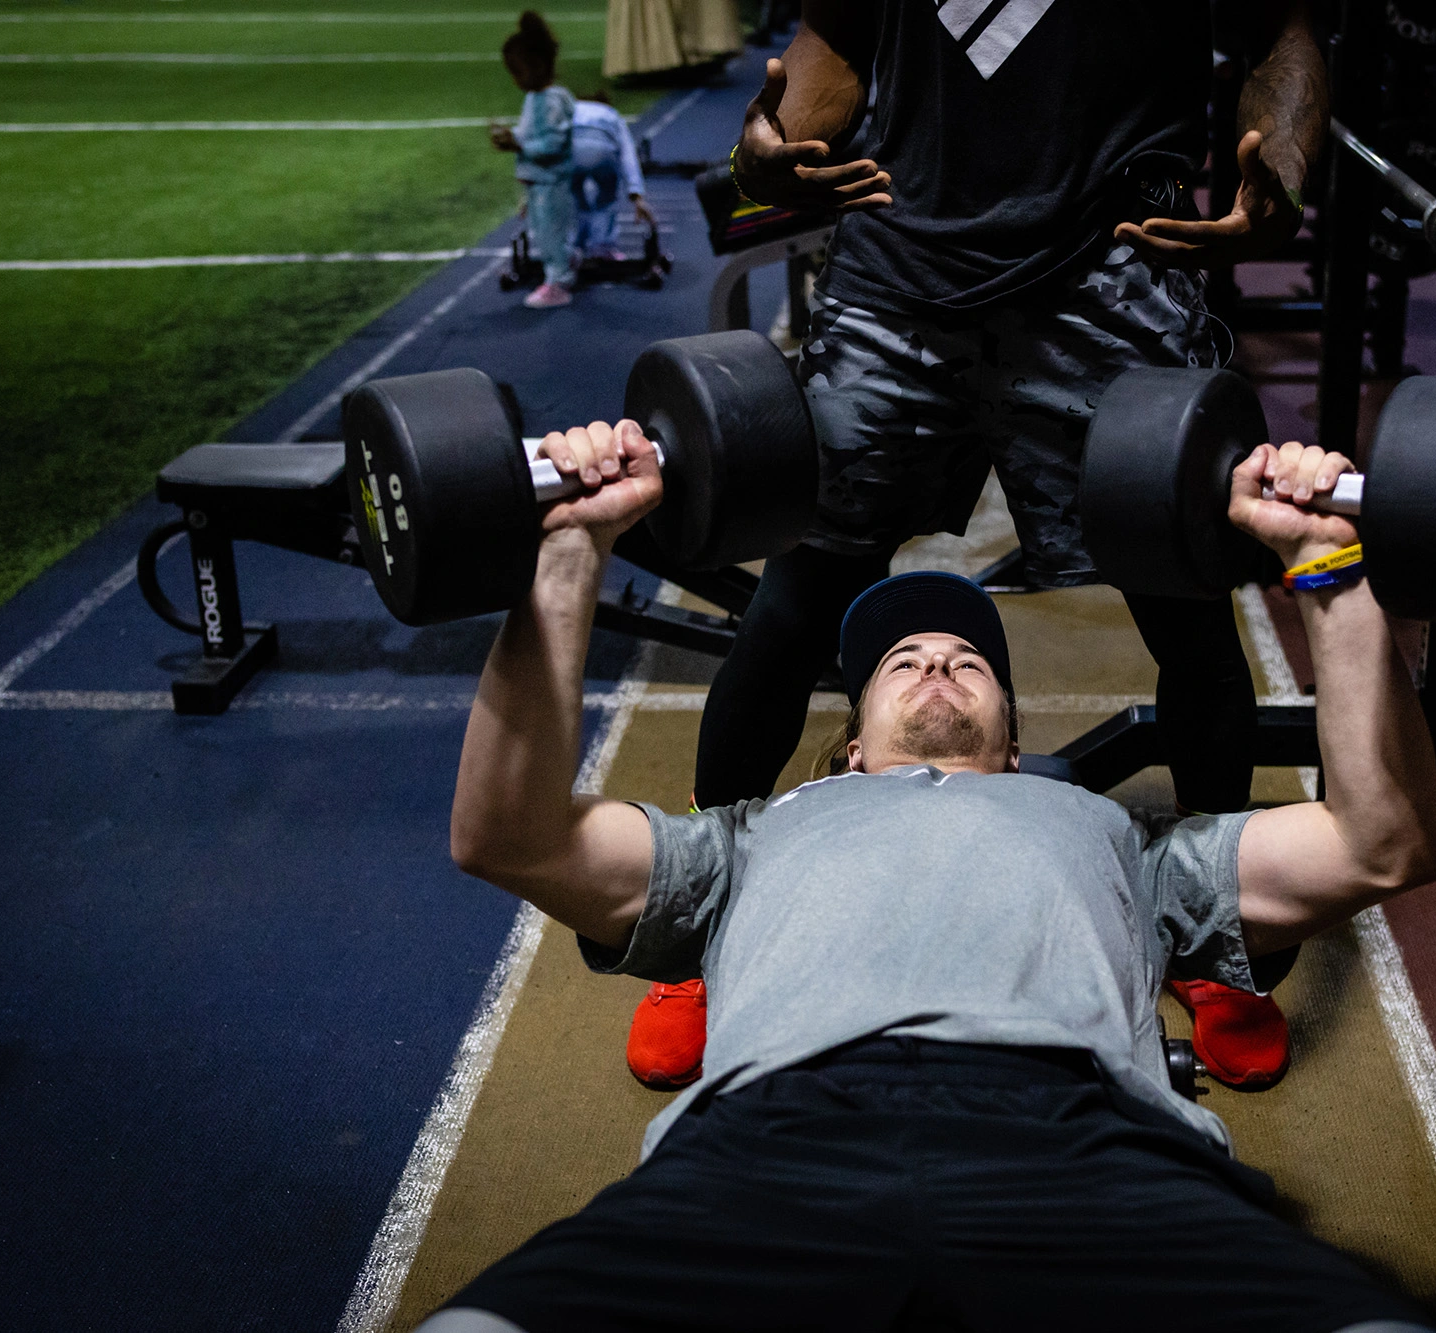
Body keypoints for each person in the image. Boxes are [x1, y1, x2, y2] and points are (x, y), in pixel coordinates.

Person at [419, 412, 1436, 1332]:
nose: (935, 663)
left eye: (967, 660)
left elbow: (1382, 841)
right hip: (770, 1147)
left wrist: (1329, 565)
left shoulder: (1114, 835)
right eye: (900, 660)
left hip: (1085, 1146)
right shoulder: (749, 837)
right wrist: (565, 557)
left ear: (1011, 748)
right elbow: (508, 837)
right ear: (853, 747)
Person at [628, 0, 1330, 1092]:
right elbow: (825, 70)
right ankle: (695, 925)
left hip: (1111, 273)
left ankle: (1215, 938)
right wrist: (762, 156)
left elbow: (1275, 29)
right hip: (900, 283)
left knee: (1185, 610)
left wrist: (1279, 165)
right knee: (799, 597)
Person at [490, 12, 578, 309]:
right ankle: (566, 261)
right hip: (540, 180)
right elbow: (532, 134)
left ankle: (559, 282)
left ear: (537, 66)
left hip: (550, 181)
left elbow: (552, 144)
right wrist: (512, 137)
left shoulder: (551, 100)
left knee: (549, 234)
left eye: (518, 72)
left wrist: (518, 143)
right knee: (545, 232)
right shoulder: (535, 97)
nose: (515, 80)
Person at [570, 95, 657, 260]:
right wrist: (636, 194)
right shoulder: (611, 113)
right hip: (602, 149)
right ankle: (603, 247)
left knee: (573, 195)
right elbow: (627, 153)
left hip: (570, 149)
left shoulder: (570, 109)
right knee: (606, 197)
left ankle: (574, 246)